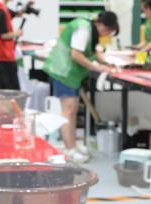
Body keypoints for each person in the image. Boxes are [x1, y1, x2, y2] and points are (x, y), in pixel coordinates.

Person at [42, 11, 119, 164]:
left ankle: (72, 145)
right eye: (107, 31)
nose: (106, 35)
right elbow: (76, 55)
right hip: (63, 71)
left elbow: (95, 51)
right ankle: (69, 150)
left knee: (73, 110)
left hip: (72, 75)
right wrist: (96, 67)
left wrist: (105, 64)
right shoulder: (83, 28)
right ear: (102, 25)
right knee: (68, 110)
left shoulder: (91, 28)